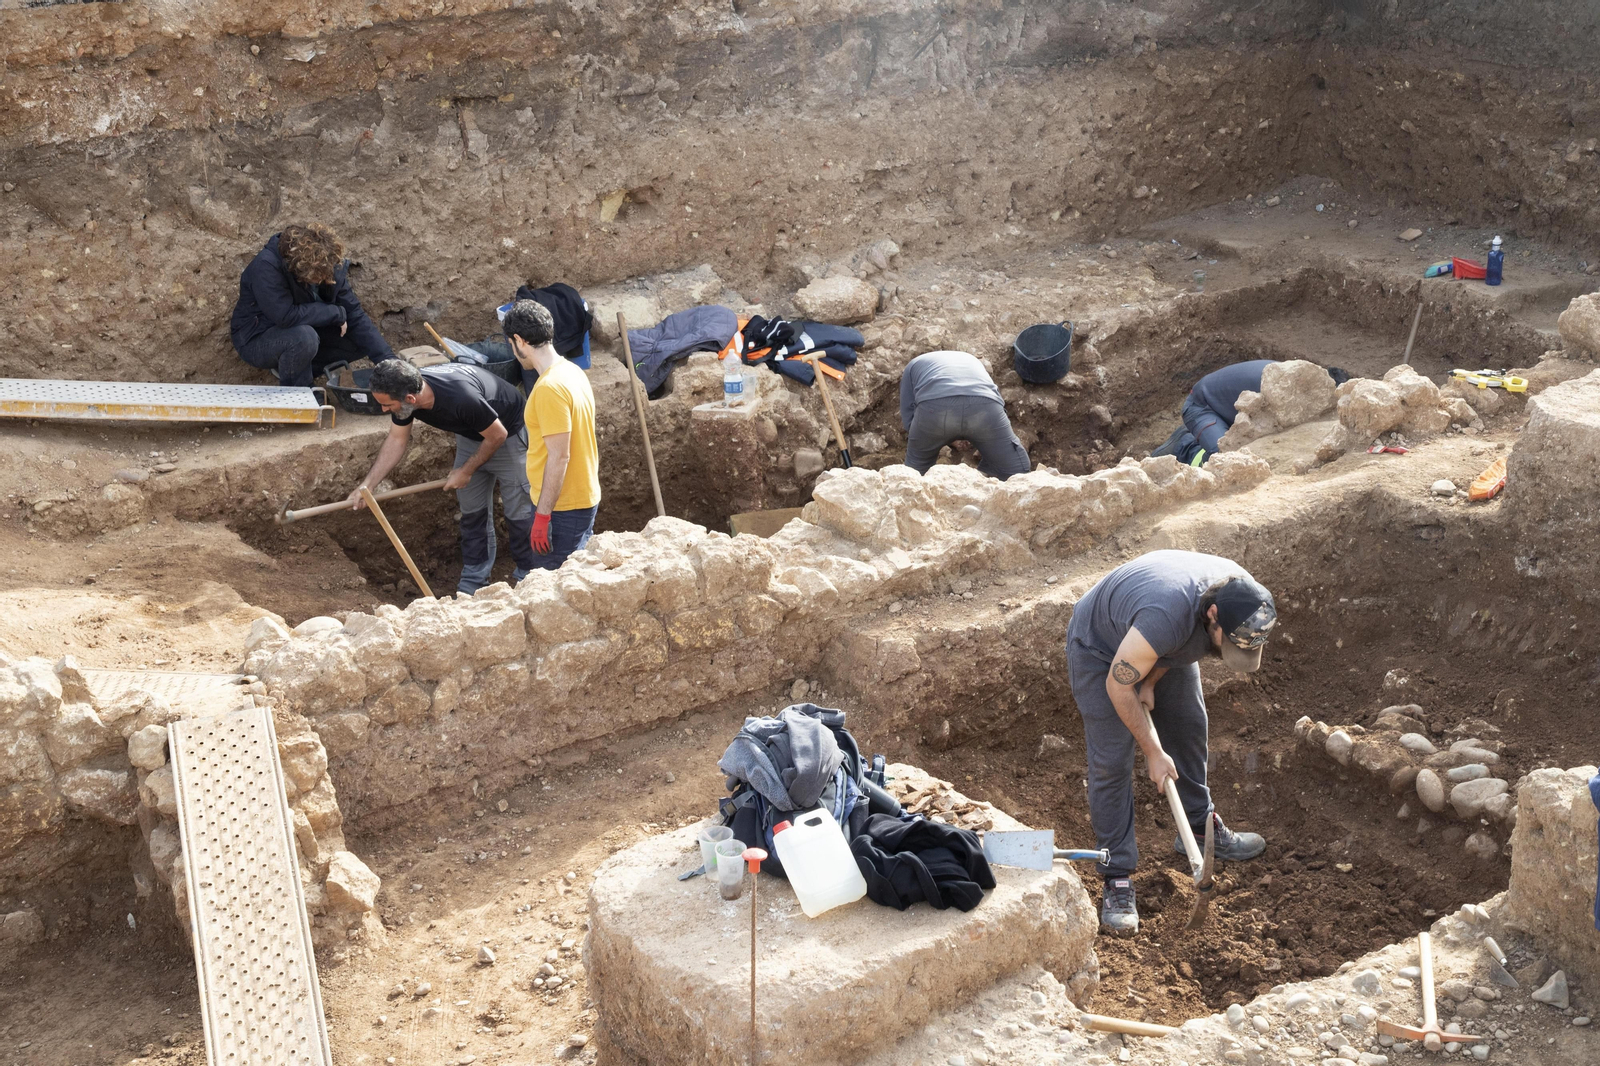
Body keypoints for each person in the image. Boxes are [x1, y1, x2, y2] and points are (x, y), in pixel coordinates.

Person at [1064, 549, 1277, 936]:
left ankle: (1199, 828)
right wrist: (1153, 752)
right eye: (1229, 644)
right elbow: (1118, 685)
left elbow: (1175, 647)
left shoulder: (1244, 597)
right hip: (1100, 651)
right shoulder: (1167, 615)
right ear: (1213, 615)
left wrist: (1149, 680)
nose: (1231, 654)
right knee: (1112, 761)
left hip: (1151, 637)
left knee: (1188, 724)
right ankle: (1116, 876)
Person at [351, 359, 535, 595]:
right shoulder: (405, 389)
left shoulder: (461, 397)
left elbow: (497, 435)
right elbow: (397, 439)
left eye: (387, 405)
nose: (384, 410)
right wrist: (367, 485)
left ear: (410, 399)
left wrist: (466, 471)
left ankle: (528, 576)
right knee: (473, 514)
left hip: (508, 434)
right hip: (472, 434)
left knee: (519, 514)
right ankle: (474, 581)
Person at [230, 223, 395, 387]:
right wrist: (334, 313)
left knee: (361, 339)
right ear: (301, 269)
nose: (324, 280)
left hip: (304, 329)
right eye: (319, 278)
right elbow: (285, 316)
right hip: (256, 338)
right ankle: (301, 393)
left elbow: (355, 314)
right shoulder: (266, 266)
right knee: (303, 338)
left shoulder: (329, 264)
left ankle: (293, 366)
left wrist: (391, 364)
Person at [502, 300, 601, 570]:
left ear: (520, 341)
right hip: (579, 499)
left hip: (563, 508)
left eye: (512, 344)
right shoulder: (572, 371)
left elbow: (559, 456)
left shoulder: (549, 388)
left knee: (556, 586)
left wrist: (543, 516)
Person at [1151, 360, 1351, 466]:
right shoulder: (1282, 390)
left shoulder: (1297, 377)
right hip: (1202, 406)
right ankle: (1185, 444)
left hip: (1232, 409)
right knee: (1223, 461)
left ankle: (1203, 434)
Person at [899, 350, 1030, 481]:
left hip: (935, 409)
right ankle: (985, 483)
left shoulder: (913, 365)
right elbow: (994, 401)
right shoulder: (973, 361)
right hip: (984, 406)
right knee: (1016, 472)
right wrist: (971, 433)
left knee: (915, 474)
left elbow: (909, 416)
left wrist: (937, 436)